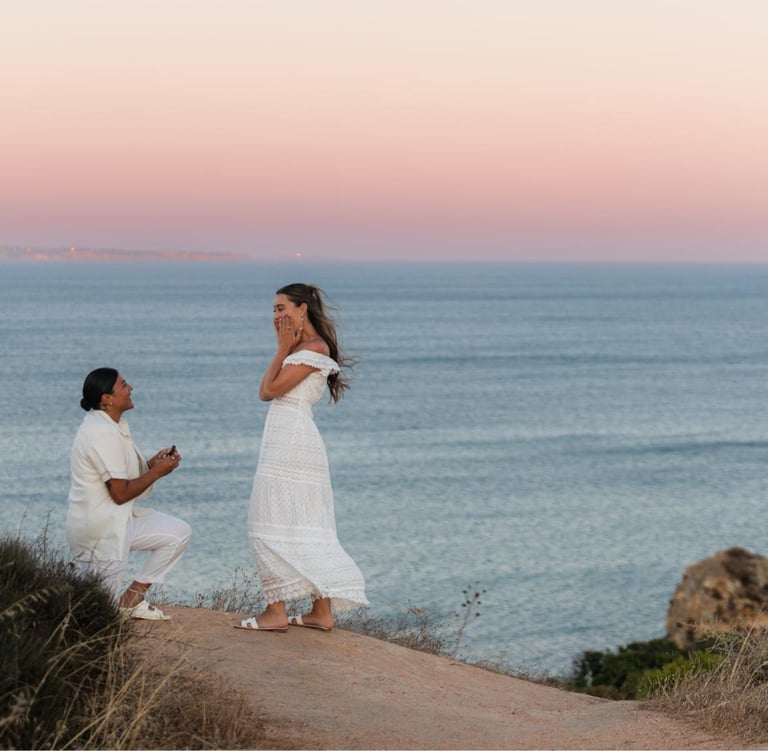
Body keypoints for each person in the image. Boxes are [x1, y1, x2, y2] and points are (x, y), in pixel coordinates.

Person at [238, 283, 368, 632]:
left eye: (282, 308)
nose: (276, 315)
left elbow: (268, 391)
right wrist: (284, 348)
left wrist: (281, 350)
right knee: (302, 521)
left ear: (302, 309)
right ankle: (320, 612)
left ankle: (275, 611)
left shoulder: (314, 348)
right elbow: (266, 390)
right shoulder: (301, 347)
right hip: (287, 437)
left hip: (292, 440)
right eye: (274, 310)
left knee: (266, 521)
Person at [66, 367, 191, 620]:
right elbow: (120, 494)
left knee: (177, 534)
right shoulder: (101, 433)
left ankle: (132, 600)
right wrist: (156, 473)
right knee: (101, 616)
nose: (131, 388)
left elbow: (119, 480)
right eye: (124, 384)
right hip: (101, 532)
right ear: (107, 398)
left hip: (120, 521)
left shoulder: (111, 426)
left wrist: (151, 466)